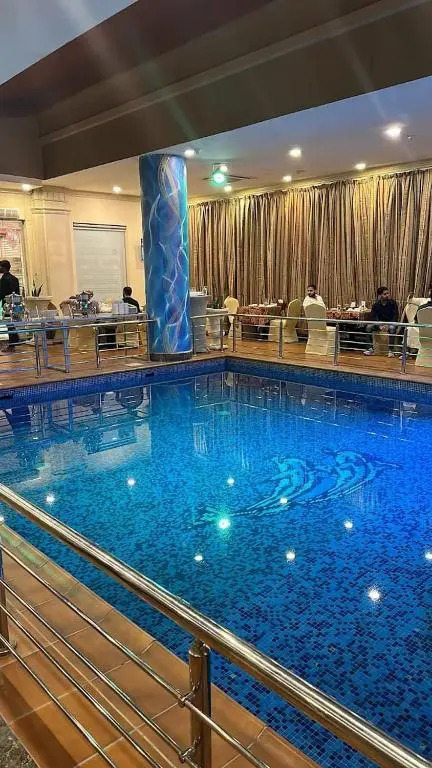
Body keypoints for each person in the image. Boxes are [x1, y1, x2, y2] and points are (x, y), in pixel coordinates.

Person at [364, 286, 399, 357]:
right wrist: (379, 326)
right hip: (379, 324)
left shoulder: (393, 303)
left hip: (390, 323)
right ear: (380, 295)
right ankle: (370, 349)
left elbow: (395, 316)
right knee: (368, 327)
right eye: (385, 294)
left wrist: (388, 325)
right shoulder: (376, 305)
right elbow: (373, 318)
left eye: (388, 293)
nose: (387, 295)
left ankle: (391, 351)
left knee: (392, 328)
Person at [0, 259, 20, 352]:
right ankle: (14, 342)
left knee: (10, 324)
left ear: (3, 267)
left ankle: (12, 345)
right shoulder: (15, 279)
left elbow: (1, 293)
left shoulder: (3, 279)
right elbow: (17, 293)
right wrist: (16, 305)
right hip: (15, 305)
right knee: (12, 324)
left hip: (7, 305)